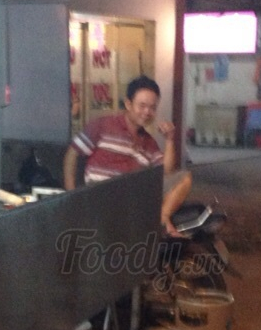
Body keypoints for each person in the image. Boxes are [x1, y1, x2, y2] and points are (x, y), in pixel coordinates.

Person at [63, 75, 192, 235]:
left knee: (184, 178)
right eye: (142, 106)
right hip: (101, 197)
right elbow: (72, 154)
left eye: (152, 107)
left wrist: (170, 139)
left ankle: (162, 219)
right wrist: (71, 197)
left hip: (131, 200)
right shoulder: (103, 125)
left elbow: (166, 172)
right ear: (128, 104)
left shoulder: (148, 142)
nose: (147, 112)